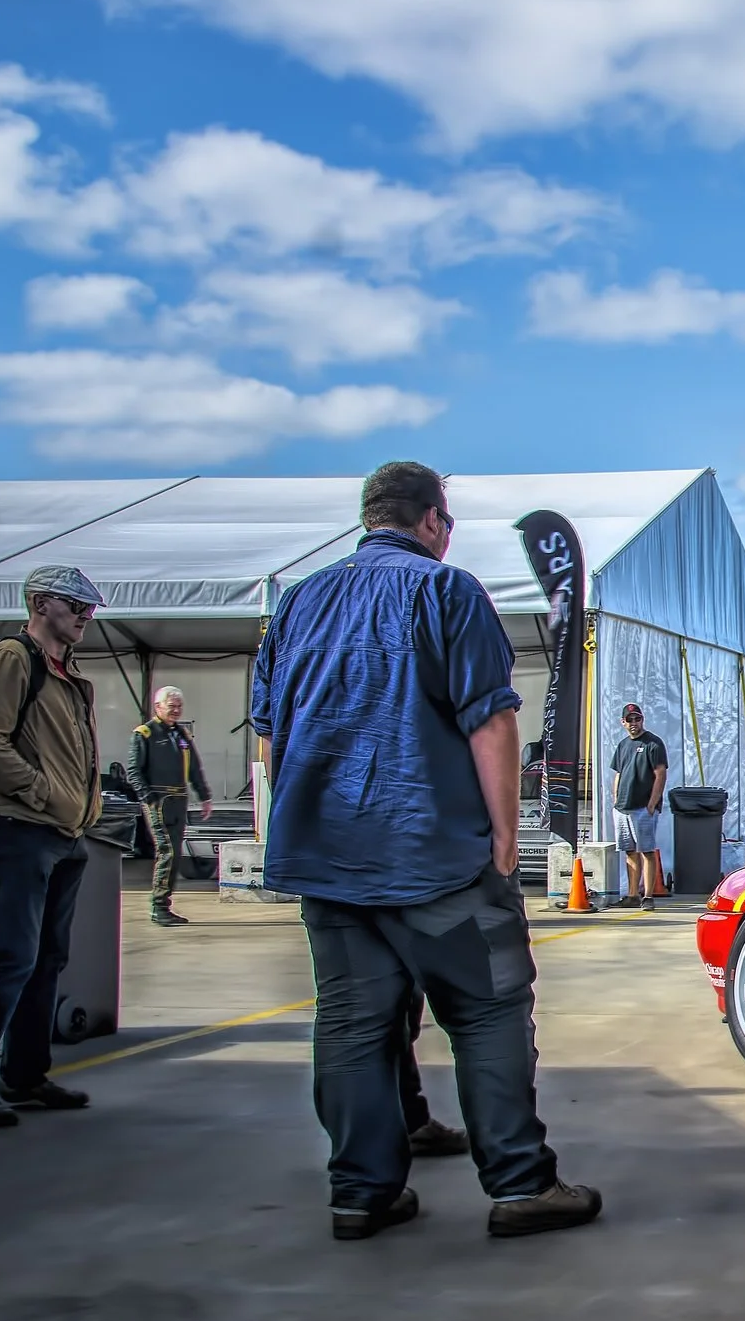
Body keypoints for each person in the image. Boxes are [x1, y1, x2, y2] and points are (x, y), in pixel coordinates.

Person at [250, 460, 599, 1241]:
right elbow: (491, 722)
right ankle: (519, 1185)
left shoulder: (298, 601)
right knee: (488, 1015)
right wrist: (508, 841)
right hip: (433, 852)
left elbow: (272, 733)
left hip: (330, 862)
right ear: (433, 520)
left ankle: (360, 1193)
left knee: (351, 1024)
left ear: (368, 517)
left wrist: (305, 824)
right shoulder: (448, 591)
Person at [0, 565, 106, 1126]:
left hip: (61, 831)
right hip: (18, 825)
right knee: (11, 956)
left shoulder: (64, 670)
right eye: (74, 604)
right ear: (39, 602)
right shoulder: (13, 658)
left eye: (90, 606)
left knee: (45, 959)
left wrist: (73, 809)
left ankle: (24, 1075)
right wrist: (42, 795)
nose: (86, 615)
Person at [127, 685, 213, 927]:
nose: (176, 710)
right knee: (168, 852)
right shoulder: (144, 734)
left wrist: (204, 796)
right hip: (159, 802)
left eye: (179, 706)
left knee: (175, 854)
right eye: (171, 706)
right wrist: (149, 798)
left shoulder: (182, 735)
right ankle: (159, 906)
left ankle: (165, 904)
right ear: (158, 707)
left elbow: (195, 768)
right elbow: (133, 771)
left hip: (179, 800)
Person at [609, 703, 669, 908]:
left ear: (642, 720)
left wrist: (652, 804)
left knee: (647, 851)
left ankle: (648, 896)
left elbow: (660, 773)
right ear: (623, 722)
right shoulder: (623, 745)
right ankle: (632, 894)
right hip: (623, 807)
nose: (634, 723)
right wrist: (616, 799)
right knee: (629, 851)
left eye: (637, 719)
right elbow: (618, 773)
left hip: (643, 808)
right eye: (630, 720)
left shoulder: (653, 743)